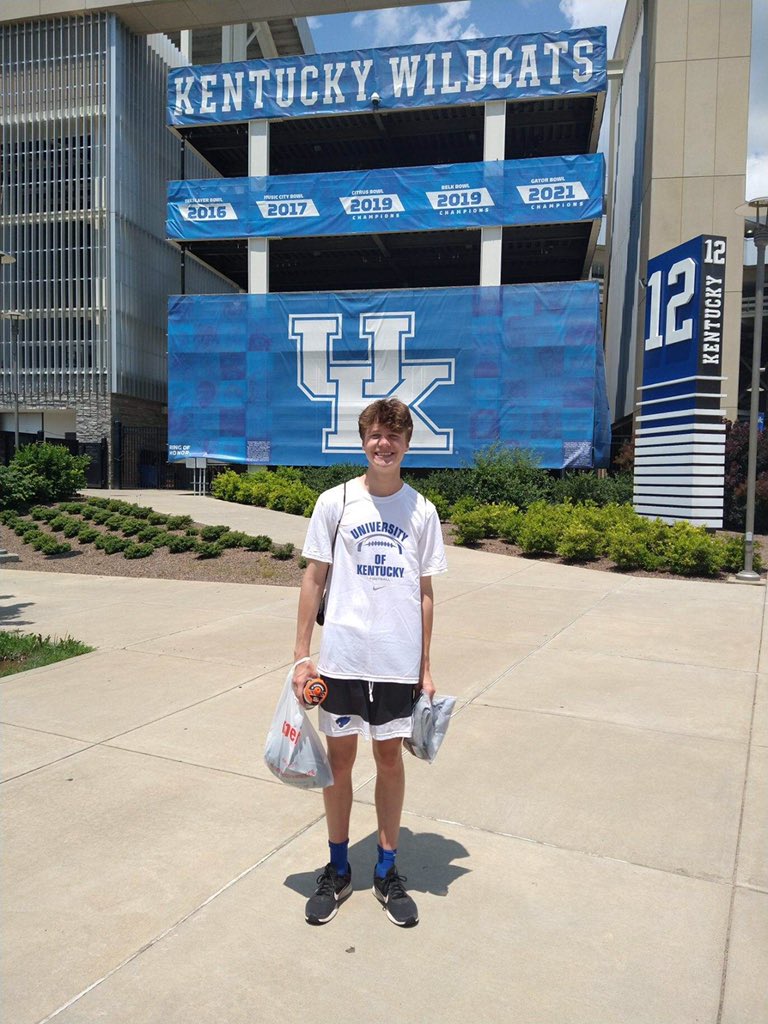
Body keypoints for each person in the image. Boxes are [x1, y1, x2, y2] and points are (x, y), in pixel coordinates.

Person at [292, 397, 447, 928]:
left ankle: (386, 869)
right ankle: (338, 868)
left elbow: (424, 593)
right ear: (363, 441)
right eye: (376, 435)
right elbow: (314, 579)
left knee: (388, 762)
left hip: (397, 662)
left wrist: (425, 666)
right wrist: (301, 658)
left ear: (407, 444)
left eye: (395, 435)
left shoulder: (422, 511)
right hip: (342, 658)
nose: (385, 444)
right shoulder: (335, 502)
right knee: (338, 765)